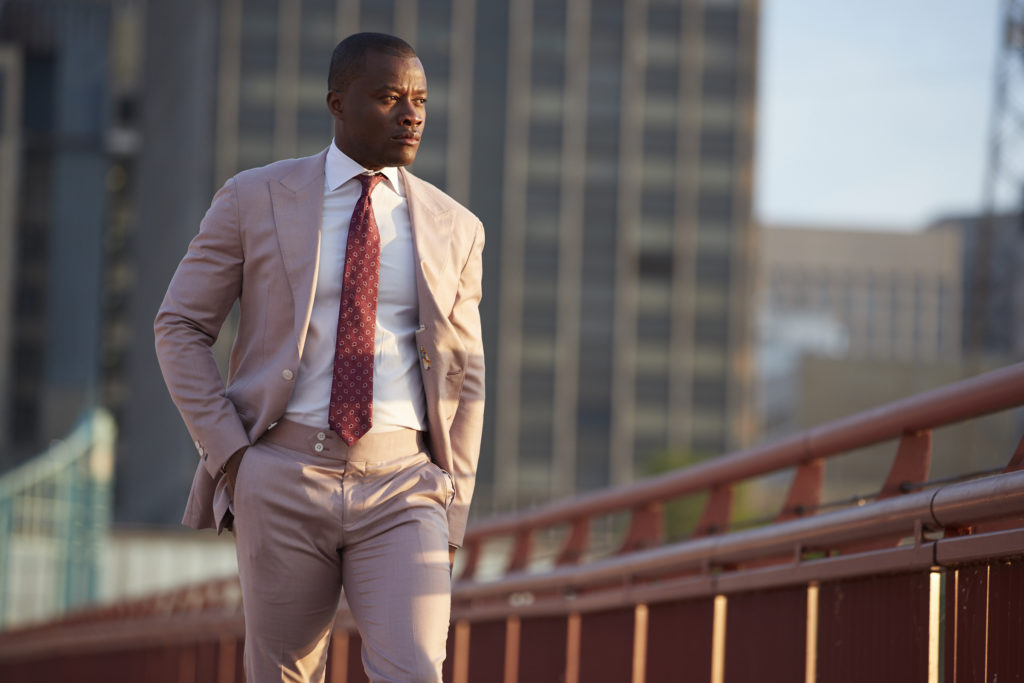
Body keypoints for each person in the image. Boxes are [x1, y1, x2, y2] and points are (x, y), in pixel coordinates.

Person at [154, 32, 485, 683]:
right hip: (281, 474)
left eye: (419, 99)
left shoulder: (456, 226)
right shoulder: (254, 197)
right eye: (389, 98)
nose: (410, 114)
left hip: (404, 484)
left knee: (415, 670)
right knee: (283, 675)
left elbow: (464, 374)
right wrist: (235, 457)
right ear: (338, 103)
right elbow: (180, 325)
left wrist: (457, 496)